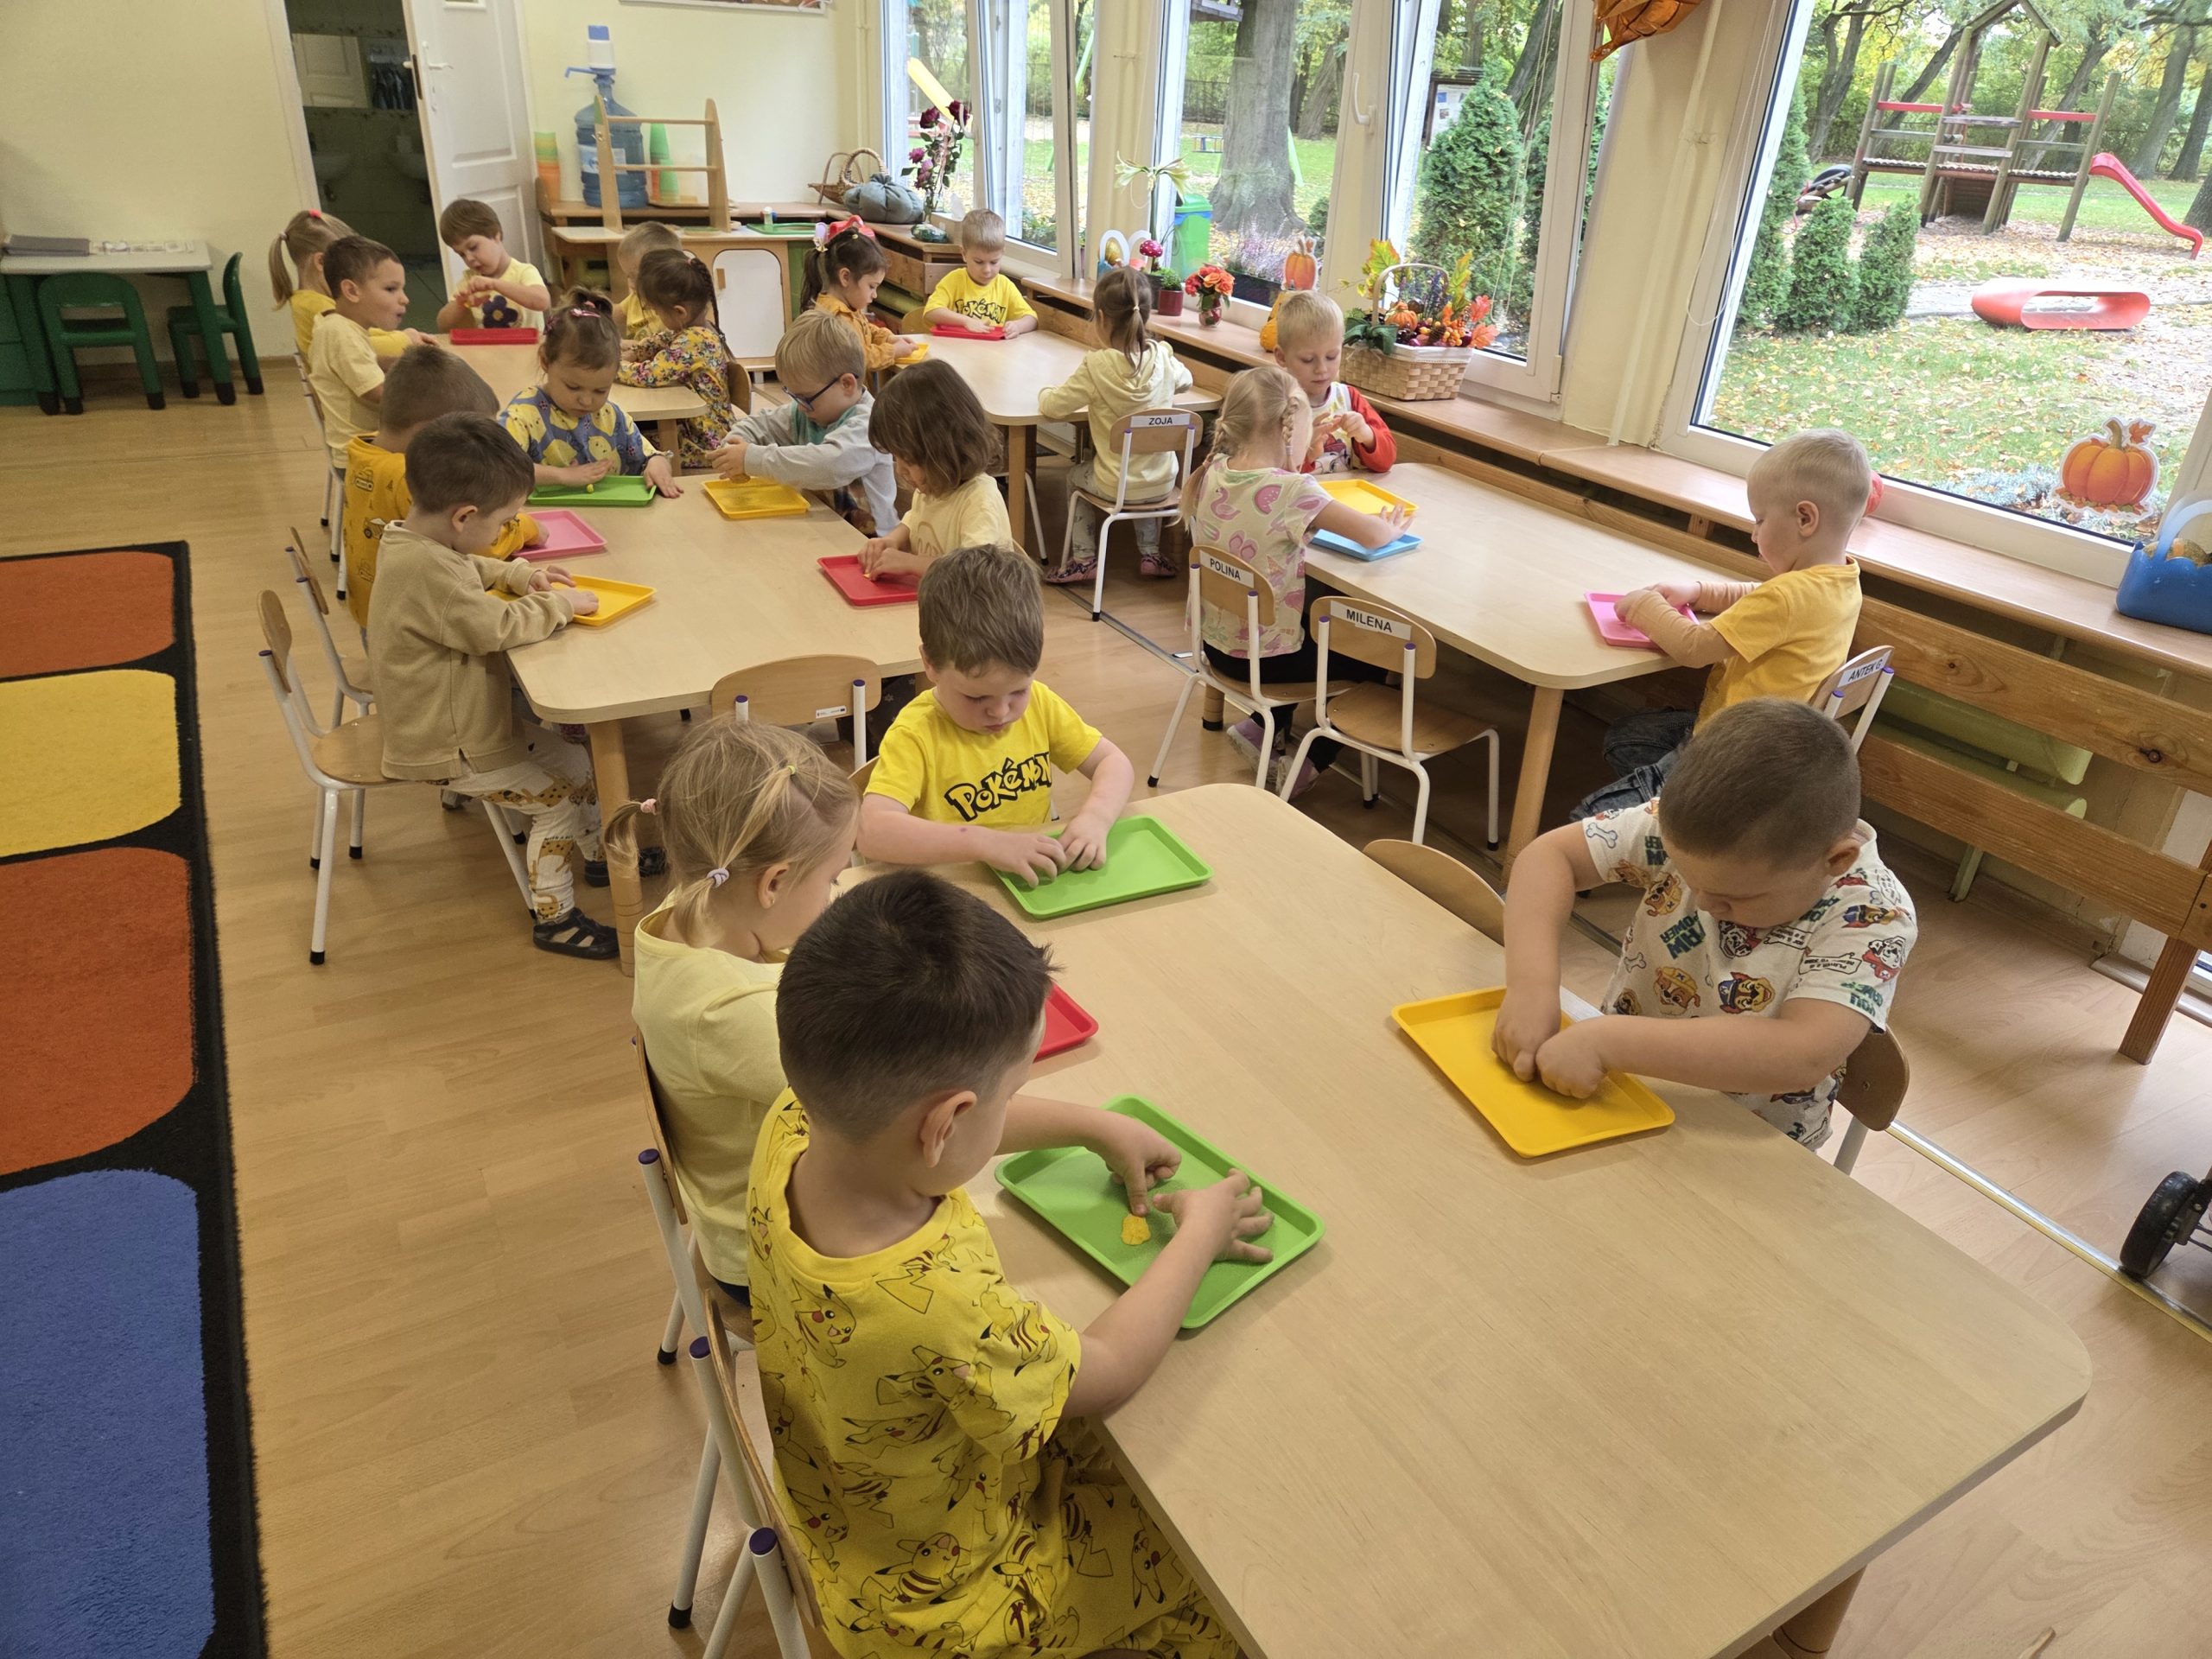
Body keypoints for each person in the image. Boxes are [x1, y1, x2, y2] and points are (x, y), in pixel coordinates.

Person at [748, 867, 1263, 1659]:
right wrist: (1202, 1230)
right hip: (945, 1607)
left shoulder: (796, 1121)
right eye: (1010, 1091)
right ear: (946, 1123)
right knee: (1217, 1580)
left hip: (843, 1517)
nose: (1009, 1108)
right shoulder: (941, 1304)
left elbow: (929, 1124)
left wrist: (1092, 1125)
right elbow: (1108, 1372)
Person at [1496, 697, 1916, 1149]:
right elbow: (1550, 856)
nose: (1702, 902)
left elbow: (1803, 1053)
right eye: (1687, 876)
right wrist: (1531, 985)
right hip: (1623, 1088)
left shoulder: (1873, 915)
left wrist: (1608, 1041)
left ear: (1836, 860)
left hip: (1744, 1142)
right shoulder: (1690, 831)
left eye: (1734, 897)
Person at [612, 721, 858, 1301]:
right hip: (772, 1251)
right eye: (832, 879)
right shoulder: (731, 1012)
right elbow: (883, 1120)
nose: (835, 893)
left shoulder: (698, 903)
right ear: (773, 884)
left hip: (763, 1189)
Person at [364, 412, 617, 961]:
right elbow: (494, 627)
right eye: (505, 522)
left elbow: (468, 569)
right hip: (450, 743)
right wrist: (558, 605)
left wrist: (521, 574)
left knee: (577, 760)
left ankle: (601, 858)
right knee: (555, 806)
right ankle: (556, 920)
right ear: (465, 516)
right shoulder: (426, 571)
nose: (508, 530)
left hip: (466, 724)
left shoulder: (412, 540)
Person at [1573, 428, 1871, 817]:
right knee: (1627, 737)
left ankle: (1694, 816)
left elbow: (1694, 648)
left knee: (1588, 821)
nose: (1754, 534)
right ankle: (1694, 817)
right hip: (1775, 752)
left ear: (1804, 518)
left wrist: (1643, 605)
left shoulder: (1787, 597)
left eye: (1760, 520)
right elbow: (1761, 597)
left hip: (1734, 760)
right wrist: (1699, 592)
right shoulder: (1841, 581)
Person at [1183, 365, 1410, 798]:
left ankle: (1258, 730)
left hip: (1217, 647)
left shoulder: (1215, 469)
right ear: (1288, 428)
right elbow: (1371, 534)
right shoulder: (1295, 491)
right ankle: (1310, 762)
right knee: (1375, 655)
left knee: (1301, 624)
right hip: (1266, 660)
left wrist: (1302, 453)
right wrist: (1392, 527)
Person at [860, 544, 1134, 885]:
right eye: (976, 697)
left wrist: (1096, 818)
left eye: (1019, 690)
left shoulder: (1040, 704)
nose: (1001, 711)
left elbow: (1113, 762)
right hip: (952, 890)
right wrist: (985, 843)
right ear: (930, 663)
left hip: (1029, 884)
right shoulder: (916, 732)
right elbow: (872, 831)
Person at [340, 342, 543, 626]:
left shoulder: (363, 449)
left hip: (376, 609)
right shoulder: (407, 475)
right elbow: (477, 544)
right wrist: (526, 528)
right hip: (413, 618)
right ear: (430, 434)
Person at [1036, 265, 1193, 588]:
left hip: (1114, 484)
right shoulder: (1162, 358)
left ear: (1102, 318)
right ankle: (1150, 554)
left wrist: (1044, 392)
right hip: (1164, 482)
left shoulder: (1096, 366)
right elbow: (1186, 380)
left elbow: (1053, 407)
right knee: (1143, 466)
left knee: (1074, 477)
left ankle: (1083, 559)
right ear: (1145, 316)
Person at [707, 310, 896, 537]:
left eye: (805, 397)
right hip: (821, 532)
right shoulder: (808, 412)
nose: (801, 406)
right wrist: (734, 445)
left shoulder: (869, 425)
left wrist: (753, 459)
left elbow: (830, 464)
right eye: (794, 396)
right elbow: (762, 424)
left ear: (846, 384)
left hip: (871, 545)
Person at [498, 291, 680, 497]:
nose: (586, 401)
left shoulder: (611, 416)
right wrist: (562, 476)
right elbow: (497, 465)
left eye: (600, 390)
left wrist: (658, 464)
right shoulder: (524, 415)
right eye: (573, 387)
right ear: (546, 361)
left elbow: (650, 455)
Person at [856, 359, 1009, 581]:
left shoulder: (979, 501)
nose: (900, 470)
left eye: (908, 460)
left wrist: (911, 563)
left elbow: (973, 574)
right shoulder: (934, 485)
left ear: (943, 450)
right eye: (896, 458)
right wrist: (891, 541)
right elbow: (914, 522)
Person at [615, 250, 738, 469]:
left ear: (680, 312)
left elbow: (650, 375)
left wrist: (610, 368)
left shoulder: (695, 340)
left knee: (627, 446)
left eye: (658, 312)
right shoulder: (692, 330)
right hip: (698, 432)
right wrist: (632, 352)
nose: (658, 318)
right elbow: (657, 342)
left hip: (705, 443)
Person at [306, 235, 417, 470]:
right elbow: (378, 392)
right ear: (352, 291)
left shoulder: (336, 325)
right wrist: (432, 394)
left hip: (365, 450)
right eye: (391, 289)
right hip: (364, 460)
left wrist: (405, 363)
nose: (404, 299)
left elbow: (363, 363)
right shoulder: (342, 334)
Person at [1269, 291, 1395, 477]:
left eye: (1331, 356)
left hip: (1341, 493)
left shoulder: (1349, 398)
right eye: (1308, 359)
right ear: (1281, 357)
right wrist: (1307, 455)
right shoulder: (1274, 404)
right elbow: (1266, 477)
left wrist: (1366, 434)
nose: (1321, 369)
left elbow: (1386, 461)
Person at [268, 208, 409, 360]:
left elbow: (362, 332)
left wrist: (400, 335)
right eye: (349, 267)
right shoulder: (318, 307)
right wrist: (406, 341)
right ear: (321, 262)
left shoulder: (310, 300)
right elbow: (358, 343)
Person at [802, 216, 924, 372]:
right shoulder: (838, 317)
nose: (875, 295)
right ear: (845, 277)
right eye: (872, 287)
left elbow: (865, 330)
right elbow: (859, 358)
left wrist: (888, 338)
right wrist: (893, 351)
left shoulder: (845, 307)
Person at [434, 199, 551, 332]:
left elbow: (542, 302)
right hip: (486, 346)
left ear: (496, 235)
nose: (469, 258)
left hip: (529, 345)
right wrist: (461, 304)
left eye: (473, 247)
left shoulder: (524, 272)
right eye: (461, 254)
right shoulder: (470, 280)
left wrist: (494, 284)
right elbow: (442, 325)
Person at [922, 210, 1039, 337]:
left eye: (994, 262)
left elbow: (1032, 319)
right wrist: (966, 321)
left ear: (1002, 254)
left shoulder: (1005, 286)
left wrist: (1018, 326)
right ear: (964, 254)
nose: (987, 270)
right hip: (956, 346)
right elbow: (931, 311)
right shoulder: (954, 280)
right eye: (979, 262)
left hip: (992, 348)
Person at [613, 220, 683, 344]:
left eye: (635, 277)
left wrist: (634, 346)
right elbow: (612, 314)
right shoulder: (635, 299)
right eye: (628, 276)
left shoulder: (673, 310)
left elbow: (669, 345)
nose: (630, 284)